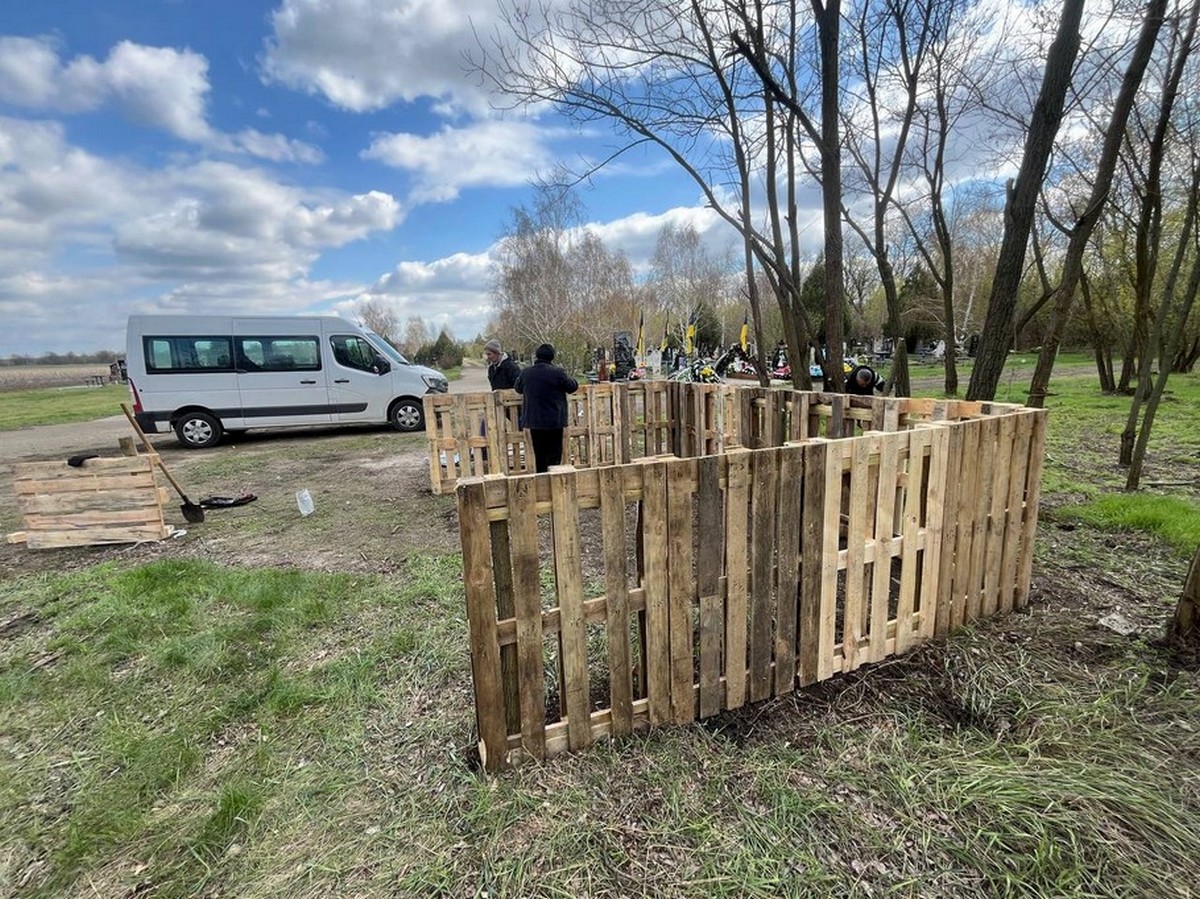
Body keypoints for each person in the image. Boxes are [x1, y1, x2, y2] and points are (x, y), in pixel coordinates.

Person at [515, 343, 579, 473]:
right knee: (554, 456)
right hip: (554, 421)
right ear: (552, 357)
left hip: (534, 420)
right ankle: (553, 480)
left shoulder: (526, 373)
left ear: (537, 356)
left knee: (540, 456)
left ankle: (541, 480)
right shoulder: (558, 372)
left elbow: (518, 388)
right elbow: (572, 386)